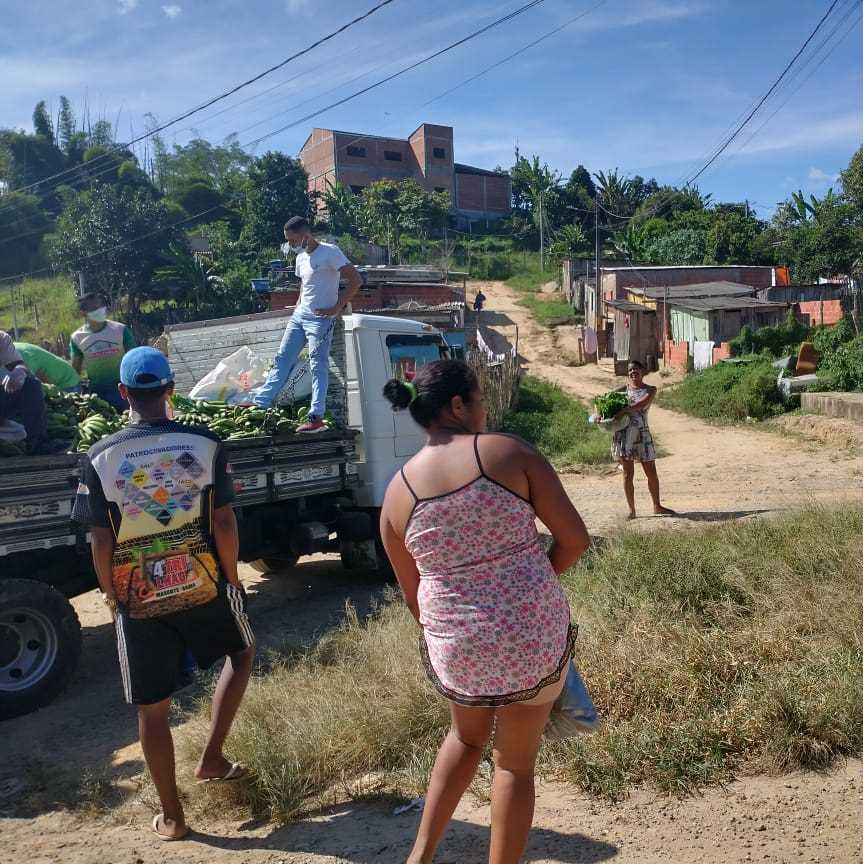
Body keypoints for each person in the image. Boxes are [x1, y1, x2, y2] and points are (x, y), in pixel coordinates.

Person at [379, 360, 590, 864]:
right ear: (457, 405)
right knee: (514, 765)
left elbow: (414, 596)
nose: (485, 407)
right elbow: (575, 541)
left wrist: (463, 630)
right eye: (479, 398)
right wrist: (527, 589)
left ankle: (419, 857)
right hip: (531, 637)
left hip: (456, 646)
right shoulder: (508, 453)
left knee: (464, 737)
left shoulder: (396, 493)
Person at [72, 347, 255, 841]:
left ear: (124, 393)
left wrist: (113, 594)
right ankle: (212, 756)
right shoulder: (206, 444)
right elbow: (223, 520)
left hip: (137, 594)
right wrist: (232, 577)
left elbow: (100, 538)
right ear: (171, 390)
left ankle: (173, 817)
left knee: (153, 710)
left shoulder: (101, 456)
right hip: (202, 580)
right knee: (240, 654)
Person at [247, 216, 363, 433]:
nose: (290, 244)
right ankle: (261, 403)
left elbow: (356, 280)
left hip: (320, 320)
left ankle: (316, 417)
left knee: (317, 364)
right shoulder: (300, 258)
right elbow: (305, 285)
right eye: (287, 240)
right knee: (282, 358)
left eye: (292, 240)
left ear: (305, 235)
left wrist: (336, 307)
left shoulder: (331, 252)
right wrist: (298, 306)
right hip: (299, 317)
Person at [612, 360, 676, 520]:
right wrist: (601, 414)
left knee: (651, 473)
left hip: (642, 435)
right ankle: (632, 510)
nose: (633, 372)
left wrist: (623, 410)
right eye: (630, 370)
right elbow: (606, 401)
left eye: (636, 369)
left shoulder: (650, 390)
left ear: (642, 371)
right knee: (627, 474)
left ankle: (657, 506)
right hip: (624, 436)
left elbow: (641, 404)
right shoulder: (622, 391)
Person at [71, 293, 136, 411]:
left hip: (123, 389)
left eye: (101, 306)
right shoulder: (77, 338)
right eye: (94, 308)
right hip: (97, 393)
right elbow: (75, 370)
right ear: (83, 313)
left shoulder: (120, 330)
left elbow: (134, 359)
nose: (100, 310)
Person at [0, 329, 52, 454]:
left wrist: (19, 371)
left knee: (31, 384)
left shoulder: (2, 338)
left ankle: (38, 443)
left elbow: (19, 365)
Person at [15, 341, 82, 391]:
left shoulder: (21, 355)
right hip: (55, 381)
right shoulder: (10, 349)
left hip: (67, 383)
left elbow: (40, 382)